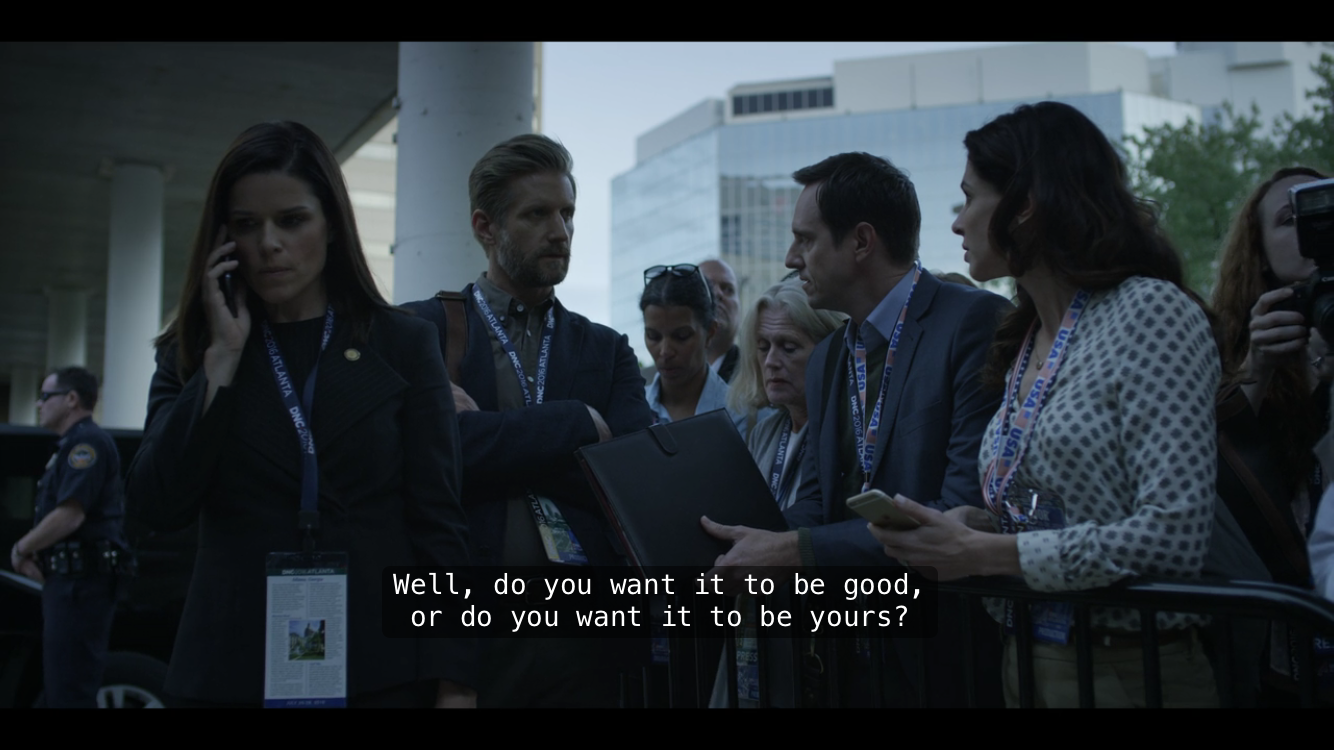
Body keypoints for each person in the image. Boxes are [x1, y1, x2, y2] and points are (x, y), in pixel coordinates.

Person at [869, 101, 1221, 708]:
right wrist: (977, 526)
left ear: (1025, 204)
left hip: (1129, 667)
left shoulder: (1150, 311)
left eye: (968, 198)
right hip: (1028, 659)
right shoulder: (1028, 336)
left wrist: (987, 553)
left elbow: (1175, 535)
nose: (957, 223)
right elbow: (1076, 513)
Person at [125, 121, 474, 708]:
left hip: (380, 670)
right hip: (230, 671)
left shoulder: (402, 344)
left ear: (331, 223)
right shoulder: (195, 354)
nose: (268, 243)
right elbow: (155, 504)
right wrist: (222, 359)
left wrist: (456, 681)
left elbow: (438, 522)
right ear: (222, 238)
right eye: (246, 225)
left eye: (291, 220)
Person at [703, 151, 1011, 707]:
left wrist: (793, 551)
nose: (792, 258)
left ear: (861, 242)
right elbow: (817, 502)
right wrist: (743, 545)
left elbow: (959, 509)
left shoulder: (972, 322)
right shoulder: (829, 358)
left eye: (805, 239)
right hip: (841, 665)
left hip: (943, 663)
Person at [402, 134, 654, 708]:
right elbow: (425, 465)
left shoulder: (606, 348)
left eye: (567, 213)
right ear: (485, 227)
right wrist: (577, 423)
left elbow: (627, 476)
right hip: (466, 643)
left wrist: (485, 443)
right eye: (537, 214)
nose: (560, 231)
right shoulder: (422, 333)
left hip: (587, 644)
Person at [1213, 166, 1334, 705]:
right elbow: (1208, 468)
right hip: (1283, 627)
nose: (1313, 233)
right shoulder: (1227, 342)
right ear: (1258, 251)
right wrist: (1257, 369)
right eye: (1290, 219)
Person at [709, 279, 844, 707]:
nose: (771, 361)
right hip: (756, 631)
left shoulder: (845, 431)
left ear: (829, 350)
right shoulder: (762, 429)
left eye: (789, 347)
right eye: (763, 347)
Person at [10, 366, 129, 708]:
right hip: (70, 582)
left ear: (72, 399)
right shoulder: (69, 446)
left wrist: (21, 548)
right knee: (61, 687)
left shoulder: (87, 443)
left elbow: (70, 515)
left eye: (46, 396)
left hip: (81, 585)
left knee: (70, 690)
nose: (39, 404)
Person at [641, 263, 753, 437]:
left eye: (681, 336)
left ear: (710, 332)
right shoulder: (631, 412)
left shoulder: (744, 416)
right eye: (653, 336)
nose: (665, 351)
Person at [700, 259, 742, 382]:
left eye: (728, 289)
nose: (718, 294)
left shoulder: (758, 372)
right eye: (707, 287)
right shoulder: (663, 379)